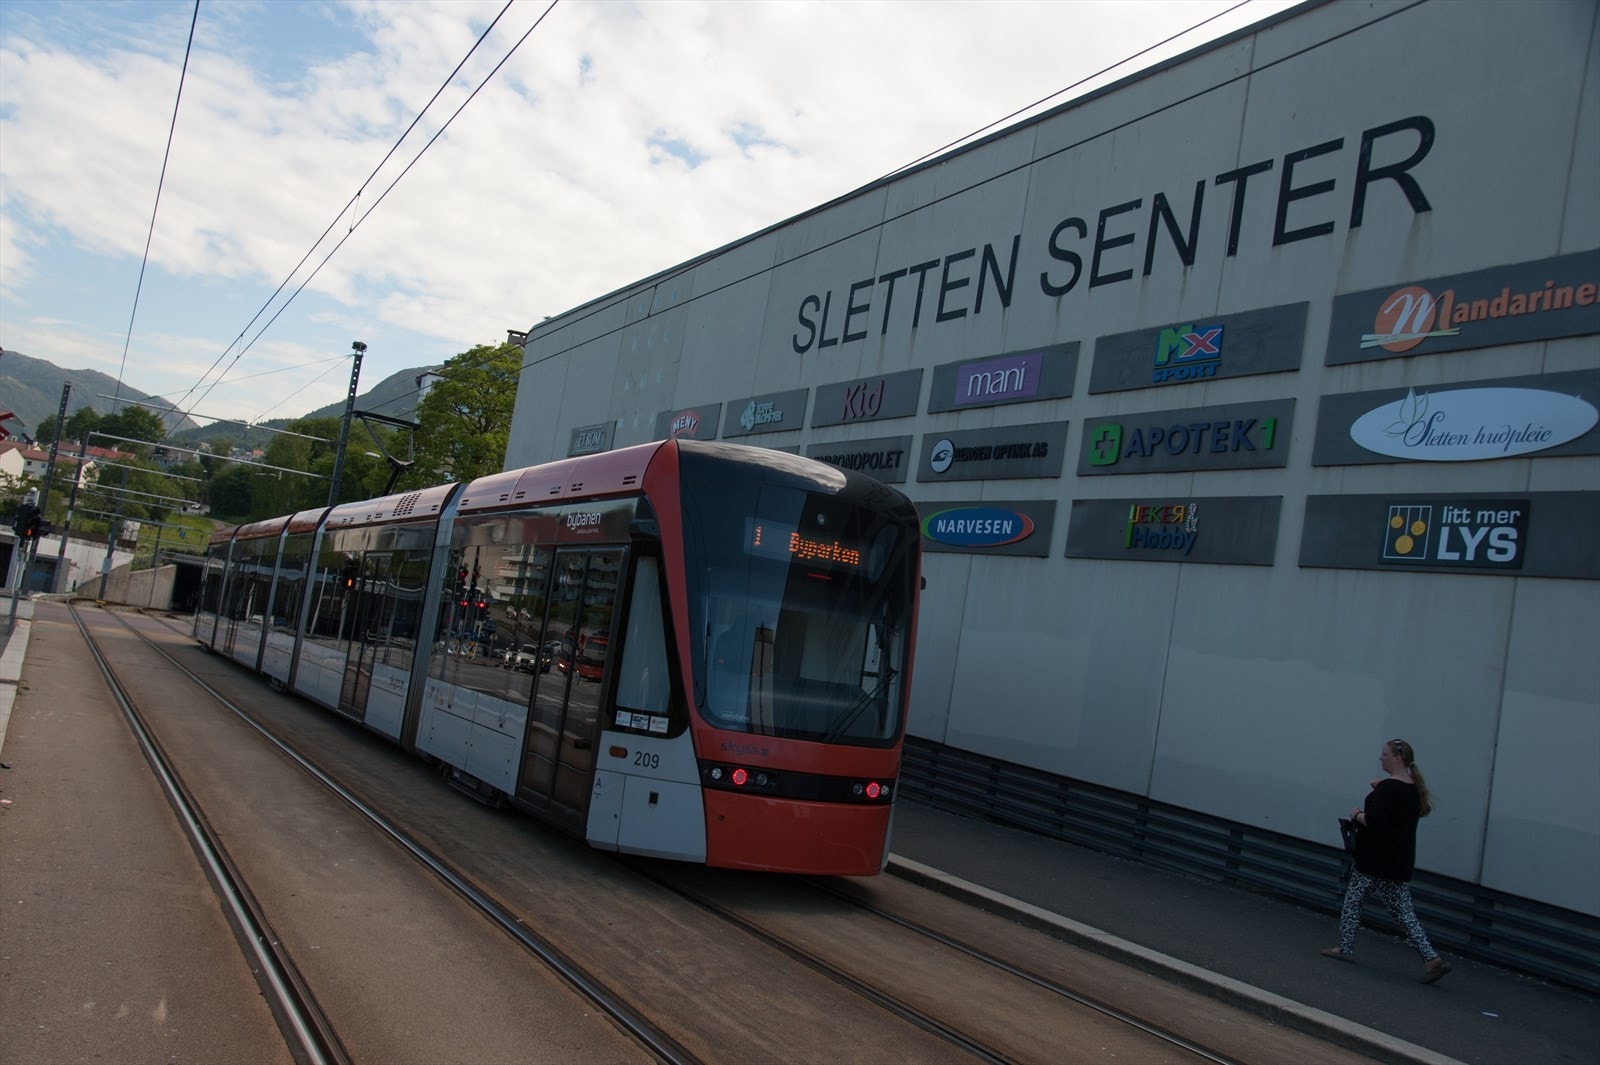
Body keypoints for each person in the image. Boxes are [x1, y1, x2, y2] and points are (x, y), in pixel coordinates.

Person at [1321, 738, 1451, 984]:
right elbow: (1396, 813)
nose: (1381, 758)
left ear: (1397, 758)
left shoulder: (1388, 789)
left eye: (1385, 754)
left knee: (1353, 902)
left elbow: (1375, 820)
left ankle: (1344, 948)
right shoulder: (1412, 787)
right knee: (1403, 912)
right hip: (1398, 860)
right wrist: (1379, 788)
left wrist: (1356, 814)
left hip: (1374, 859)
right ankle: (1431, 958)